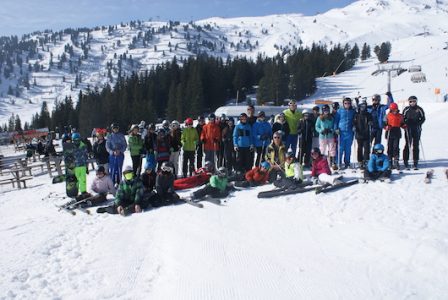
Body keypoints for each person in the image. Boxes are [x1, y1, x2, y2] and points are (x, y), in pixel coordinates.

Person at [402, 96, 425, 169]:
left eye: (414, 101)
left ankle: (415, 160)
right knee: (408, 144)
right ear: (409, 102)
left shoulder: (419, 109)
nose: (412, 103)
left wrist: (419, 123)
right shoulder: (406, 109)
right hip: (408, 129)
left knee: (416, 145)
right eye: (411, 101)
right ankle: (406, 160)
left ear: (416, 101)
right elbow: (402, 118)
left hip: (416, 128)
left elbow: (423, 118)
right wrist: (405, 123)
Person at [334, 97, 356, 169]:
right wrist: (336, 129)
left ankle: (347, 162)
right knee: (340, 148)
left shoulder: (352, 111)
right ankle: (338, 162)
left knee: (348, 149)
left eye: (348, 103)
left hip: (349, 132)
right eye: (345, 103)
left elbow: (355, 120)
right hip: (341, 132)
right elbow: (336, 121)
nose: (347, 104)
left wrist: (354, 126)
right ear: (343, 104)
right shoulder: (339, 111)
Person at [384, 102, 406, 170]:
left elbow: (402, 123)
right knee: (390, 147)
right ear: (390, 110)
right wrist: (386, 127)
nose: (395, 111)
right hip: (390, 132)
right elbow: (384, 124)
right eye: (393, 110)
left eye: (395, 109)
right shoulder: (387, 116)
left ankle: (396, 161)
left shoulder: (400, 116)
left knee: (396, 147)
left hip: (397, 132)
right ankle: (390, 161)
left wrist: (404, 126)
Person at [353, 99, 373, 169]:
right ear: (359, 107)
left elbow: (371, 120)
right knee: (360, 148)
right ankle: (360, 161)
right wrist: (354, 127)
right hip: (359, 134)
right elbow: (354, 122)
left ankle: (366, 160)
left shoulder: (368, 114)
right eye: (361, 106)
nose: (363, 108)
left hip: (366, 134)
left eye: (364, 106)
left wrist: (370, 122)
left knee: (367, 148)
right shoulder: (357, 115)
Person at [315, 104, 336, 169]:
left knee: (332, 149)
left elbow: (334, 126)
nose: (326, 111)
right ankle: (321, 162)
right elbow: (316, 126)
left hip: (330, 136)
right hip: (322, 136)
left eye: (327, 110)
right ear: (322, 111)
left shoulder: (331, 118)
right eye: (324, 110)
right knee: (322, 149)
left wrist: (331, 130)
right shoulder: (320, 118)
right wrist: (321, 130)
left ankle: (332, 162)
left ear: (329, 110)